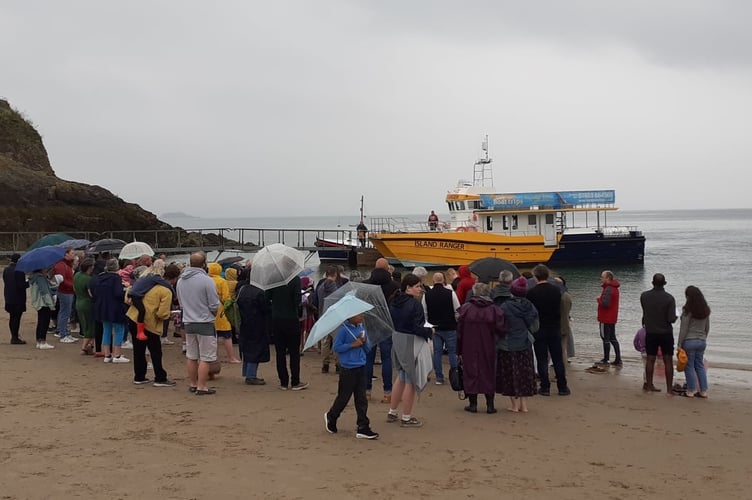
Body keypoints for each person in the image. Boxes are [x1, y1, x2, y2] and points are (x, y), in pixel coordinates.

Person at [387, 273, 433, 428]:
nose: (420, 289)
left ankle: (392, 412)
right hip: (410, 341)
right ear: (408, 287)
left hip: (397, 338)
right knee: (411, 380)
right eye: (418, 286)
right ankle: (406, 417)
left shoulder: (394, 300)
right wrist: (430, 332)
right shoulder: (414, 305)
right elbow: (417, 327)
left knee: (401, 376)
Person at [324, 313, 379, 439]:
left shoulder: (361, 328)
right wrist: (352, 345)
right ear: (350, 316)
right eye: (359, 315)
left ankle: (363, 426)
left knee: (361, 398)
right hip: (348, 368)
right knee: (343, 397)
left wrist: (363, 342)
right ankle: (332, 416)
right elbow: (337, 347)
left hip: (361, 366)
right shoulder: (344, 330)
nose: (362, 317)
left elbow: (368, 348)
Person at [127, 263, 181, 387]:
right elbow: (162, 313)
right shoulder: (166, 291)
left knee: (138, 349)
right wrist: (170, 315)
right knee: (155, 351)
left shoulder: (148, 284)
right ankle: (160, 377)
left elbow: (131, 293)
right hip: (149, 323)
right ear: (174, 278)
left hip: (133, 317)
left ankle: (139, 376)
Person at [457, 282, 506, 413]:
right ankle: (490, 405)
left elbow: (459, 332)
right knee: (488, 372)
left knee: (471, 371)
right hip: (488, 345)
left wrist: (458, 349)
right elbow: (501, 329)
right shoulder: (495, 310)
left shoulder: (466, 309)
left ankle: (473, 404)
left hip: (469, 345)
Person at [177, 252, 221, 395]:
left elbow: (181, 303)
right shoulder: (206, 280)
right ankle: (202, 386)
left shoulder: (181, 280)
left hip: (188, 321)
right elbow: (214, 304)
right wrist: (213, 313)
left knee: (192, 355)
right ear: (204, 264)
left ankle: (193, 383)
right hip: (205, 321)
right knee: (206, 357)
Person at [496, 276, 539, 413]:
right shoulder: (530, 306)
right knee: (525, 373)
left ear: (512, 291)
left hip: (508, 344)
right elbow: (535, 326)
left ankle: (514, 405)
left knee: (509, 374)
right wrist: (526, 331)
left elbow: (500, 325)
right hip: (524, 343)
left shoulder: (505, 306)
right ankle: (524, 405)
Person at [526, 264, 570, 396]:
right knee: (557, 358)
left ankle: (545, 387)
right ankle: (562, 386)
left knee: (542, 358)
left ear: (535, 277)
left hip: (539, 328)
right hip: (554, 327)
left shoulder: (531, 293)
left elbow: (531, 312)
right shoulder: (556, 291)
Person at [364, 258, 398, 403]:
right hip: (386, 325)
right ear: (387, 269)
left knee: (368, 359)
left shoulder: (365, 285)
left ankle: (367, 391)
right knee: (386, 359)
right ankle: (388, 393)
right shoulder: (394, 286)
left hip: (370, 324)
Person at [268, 274, 308, 391]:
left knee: (280, 352)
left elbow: (267, 297)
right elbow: (297, 301)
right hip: (291, 318)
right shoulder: (295, 279)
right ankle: (295, 381)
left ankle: (283, 382)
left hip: (276, 319)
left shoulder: (273, 278)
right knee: (294, 352)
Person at [640, 273, 677, 393]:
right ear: (664, 283)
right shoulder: (669, 298)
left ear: (652, 283)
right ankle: (669, 389)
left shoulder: (644, 296)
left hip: (650, 331)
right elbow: (671, 319)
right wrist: (676, 317)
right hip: (665, 332)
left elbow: (645, 312)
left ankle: (649, 385)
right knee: (668, 360)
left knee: (650, 359)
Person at [423, 272, 460, 385]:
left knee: (437, 352)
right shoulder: (451, 293)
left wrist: (429, 325)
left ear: (433, 281)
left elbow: (424, 313)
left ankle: (439, 377)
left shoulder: (427, 295)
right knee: (452, 352)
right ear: (444, 281)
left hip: (435, 328)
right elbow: (457, 310)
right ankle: (455, 377)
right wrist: (455, 321)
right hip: (450, 326)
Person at [236, 268, 271, 385]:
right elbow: (266, 309)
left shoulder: (243, 289)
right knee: (255, 349)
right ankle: (251, 375)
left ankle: (247, 372)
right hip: (257, 323)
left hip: (245, 322)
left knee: (247, 347)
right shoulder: (260, 291)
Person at [92, 258, 129, 363]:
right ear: (117, 267)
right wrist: (125, 289)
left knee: (106, 330)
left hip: (102, 307)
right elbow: (118, 293)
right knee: (119, 330)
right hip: (115, 307)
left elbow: (95, 292)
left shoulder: (100, 277)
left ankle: (107, 355)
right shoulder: (116, 278)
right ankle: (117, 355)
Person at [677, 286, 711, 398]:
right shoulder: (705, 310)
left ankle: (691, 390)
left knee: (689, 366)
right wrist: (703, 338)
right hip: (701, 341)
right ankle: (703, 391)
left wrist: (679, 344)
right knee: (700, 366)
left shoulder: (687, 310)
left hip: (689, 341)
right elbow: (707, 327)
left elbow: (684, 328)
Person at [207, 262, 241, 364]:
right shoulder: (222, 281)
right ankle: (231, 357)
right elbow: (226, 298)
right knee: (227, 335)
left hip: (208, 311)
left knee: (212, 337)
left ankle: (214, 357)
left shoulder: (206, 281)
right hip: (220, 311)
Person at [597, 270, 622, 366]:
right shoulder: (614, 288)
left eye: (602, 277)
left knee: (605, 338)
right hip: (612, 317)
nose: (601, 278)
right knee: (612, 338)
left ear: (607, 278)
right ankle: (618, 359)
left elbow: (605, 303)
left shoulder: (608, 289)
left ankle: (606, 359)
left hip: (605, 317)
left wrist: (599, 299)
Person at [317, 266, 339, 373]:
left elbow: (317, 301)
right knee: (336, 340)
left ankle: (325, 364)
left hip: (323, 315)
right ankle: (338, 364)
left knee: (325, 341)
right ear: (335, 274)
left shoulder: (320, 287)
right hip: (333, 316)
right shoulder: (335, 287)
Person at [53, 247, 78, 343]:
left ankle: (65, 332)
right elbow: (62, 280)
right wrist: (73, 286)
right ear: (66, 254)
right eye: (72, 253)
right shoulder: (61, 265)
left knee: (65, 312)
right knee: (65, 313)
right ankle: (63, 333)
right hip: (65, 291)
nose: (73, 255)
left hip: (68, 291)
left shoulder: (68, 265)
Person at [3, 253, 28, 344]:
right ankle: (15, 337)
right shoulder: (19, 271)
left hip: (9, 297)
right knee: (16, 318)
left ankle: (14, 335)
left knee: (12, 317)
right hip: (18, 298)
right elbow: (21, 285)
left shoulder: (6, 270)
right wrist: (29, 282)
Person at [29, 268, 55, 349]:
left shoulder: (34, 277)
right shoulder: (40, 278)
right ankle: (43, 341)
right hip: (44, 303)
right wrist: (51, 304)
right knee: (44, 322)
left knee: (40, 322)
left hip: (38, 302)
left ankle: (39, 341)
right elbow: (45, 292)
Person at [73, 258, 95, 355]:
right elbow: (91, 294)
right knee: (91, 326)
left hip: (78, 301)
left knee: (85, 324)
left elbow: (74, 288)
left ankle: (90, 346)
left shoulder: (77, 275)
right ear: (89, 267)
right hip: (87, 303)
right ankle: (85, 347)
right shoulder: (88, 279)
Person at [555, 276, 574, 364]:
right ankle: (563, 368)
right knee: (563, 348)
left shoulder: (556, 296)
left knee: (552, 348)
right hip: (565, 324)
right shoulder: (567, 295)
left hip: (556, 325)